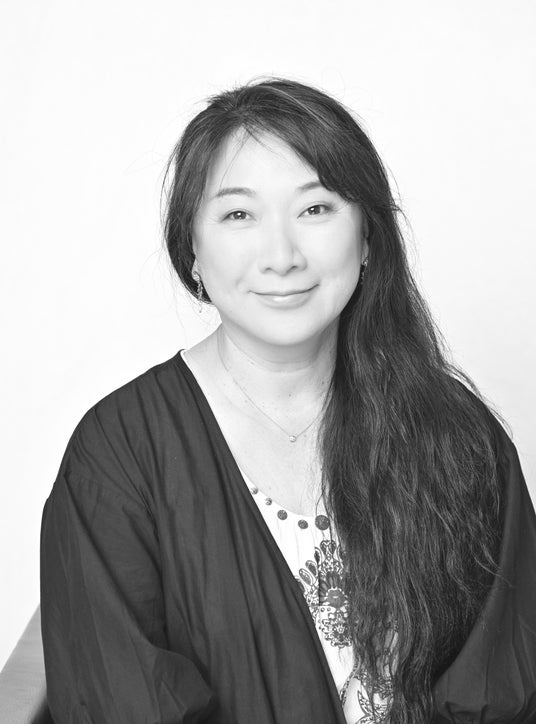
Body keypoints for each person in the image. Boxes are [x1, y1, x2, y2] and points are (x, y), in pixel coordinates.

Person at [40, 77, 536, 724]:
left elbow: (505, 687)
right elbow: (123, 702)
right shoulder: (119, 458)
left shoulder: (457, 436)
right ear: (192, 250)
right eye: (238, 215)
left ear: (367, 238)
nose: (281, 256)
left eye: (316, 209)